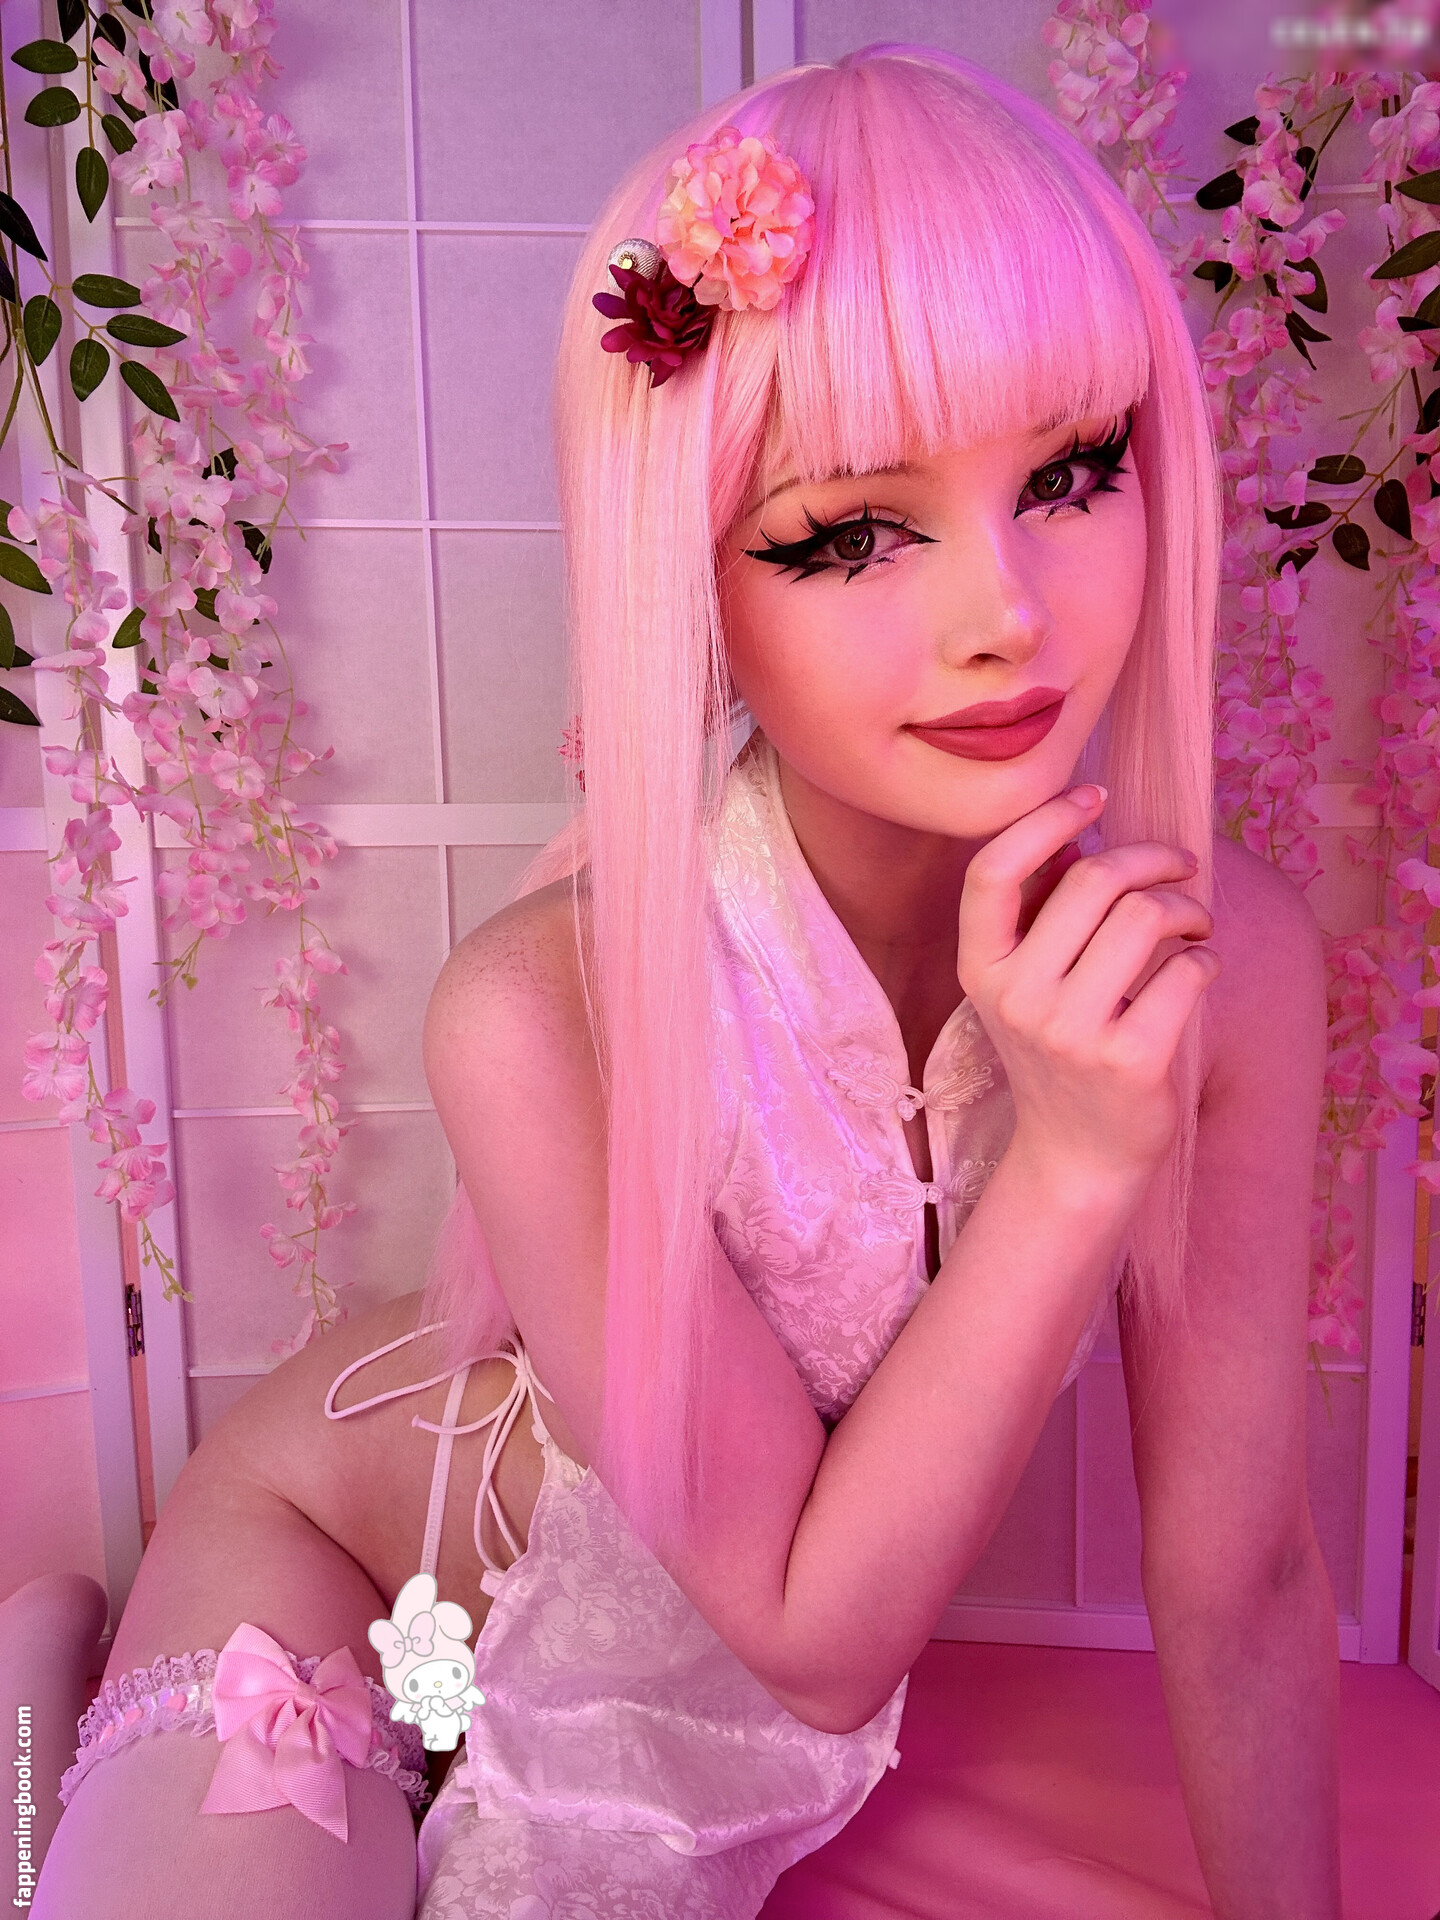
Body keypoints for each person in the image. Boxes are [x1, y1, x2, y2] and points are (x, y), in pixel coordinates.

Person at [21, 39, 1340, 1920]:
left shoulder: (1222, 965)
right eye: (851, 531)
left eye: (1071, 471)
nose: (1008, 614)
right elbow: (817, 1638)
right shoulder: (533, 1008)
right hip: (343, 1576)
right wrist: (1066, 1161)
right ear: (692, 577)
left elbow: (1246, 1569)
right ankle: (40, 1699)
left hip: (676, 1712)